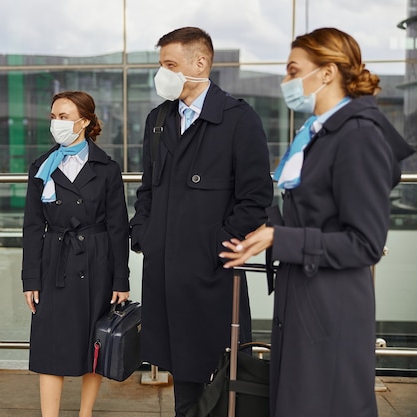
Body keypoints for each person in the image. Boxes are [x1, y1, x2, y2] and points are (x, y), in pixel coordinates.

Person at [219, 28, 415, 417]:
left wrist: (281, 237)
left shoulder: (359, 136)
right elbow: (313, 211)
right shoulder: (317, 134)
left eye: (294, 70)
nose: (286, 81)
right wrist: (265, 232)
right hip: (305, 298)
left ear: (327, 73)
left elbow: (365, 243)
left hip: (331, 308)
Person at [128, 27, 273, 417]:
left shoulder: (238, 119)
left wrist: (216, 244)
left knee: (218, 373)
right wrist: (145, 234)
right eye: (162, 65)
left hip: (211, 273)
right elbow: (148, 188)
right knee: (180, 373)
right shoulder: (158, 120)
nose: (164, 74)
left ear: (201, 63)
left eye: (171, 65)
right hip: (164, 272)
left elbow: (256, 199)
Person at [21, 91, 130, 417]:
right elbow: (31, 227)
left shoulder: (107, 168)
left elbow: (118, 227)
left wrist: (120, 279)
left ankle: (85, 414)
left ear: (84, 121)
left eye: (65, 116)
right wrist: (30, 278)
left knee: (93, 344)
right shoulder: (41, 167)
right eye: (54, 116)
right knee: (49, 346)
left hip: (96, 263)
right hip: (54, 262)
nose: (57, 123)